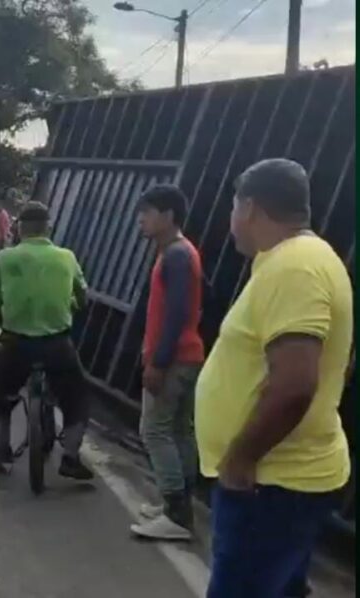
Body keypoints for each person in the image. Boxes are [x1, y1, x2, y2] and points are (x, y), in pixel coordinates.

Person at [196, 159, 351, 598]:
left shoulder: (295, 268)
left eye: (232, 206)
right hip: (283, 483)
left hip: (271, 486)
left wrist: (240, 457)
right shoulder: (294, 259)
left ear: (249, 207)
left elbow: (295, 385)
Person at [0, 202, 93, 480]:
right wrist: (71, 305)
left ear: (19, 228)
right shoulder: (66, 257)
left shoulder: (5, 258)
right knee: (77, 395)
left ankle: (1, 450)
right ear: (49, 228)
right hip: (57, 344)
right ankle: (70, 457)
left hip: (15, 344)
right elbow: (82, 296)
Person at [129, 185, 204, 541]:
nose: (141, 218)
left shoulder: (175, 255)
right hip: (188, 355)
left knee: (154, 430)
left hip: (173, 359)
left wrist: (157, 363)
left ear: (169, 215)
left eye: (149, 211)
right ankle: (178, 504)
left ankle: (176, 515)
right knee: (178, 431)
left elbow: (175, 314)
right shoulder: (182, 252)